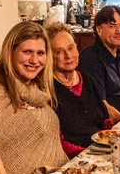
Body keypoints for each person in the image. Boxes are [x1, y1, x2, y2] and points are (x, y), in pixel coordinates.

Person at [0, 21, 68, 174]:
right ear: (11, 52)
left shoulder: (37, 90)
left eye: (40, 53)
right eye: (27, 52)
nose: (34, 60)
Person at [46, 23, 113, 158]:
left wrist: (115, 139)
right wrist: (93, 153)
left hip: (103, 150)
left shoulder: (87, 79)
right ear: (50, 56)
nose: (68, 55)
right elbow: (59, 143)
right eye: (59, 52)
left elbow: (106, 121)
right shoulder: (48, 90)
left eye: (71, 48)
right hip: (77, 158)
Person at [78, 5, 120, 122]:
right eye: (112, 26)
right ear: (99, 30)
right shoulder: (90, 58)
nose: (119, 31)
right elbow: (102, 106)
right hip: (108, 127)